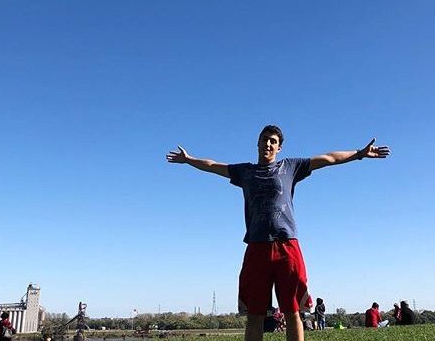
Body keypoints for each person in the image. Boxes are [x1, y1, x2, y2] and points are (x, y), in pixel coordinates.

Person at [166, 125, 389, 341]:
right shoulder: (245, 171)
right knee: (255, 315)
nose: (268, 144)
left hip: (287, 246)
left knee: (292, 312)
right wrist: (188, 160)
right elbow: (213, 165)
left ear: (279, 147)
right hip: (257, 247)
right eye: (265, 139)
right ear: (258, 143)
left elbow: (329, 158)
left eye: (274, 141)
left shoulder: (290, 167)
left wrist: (359, 154)